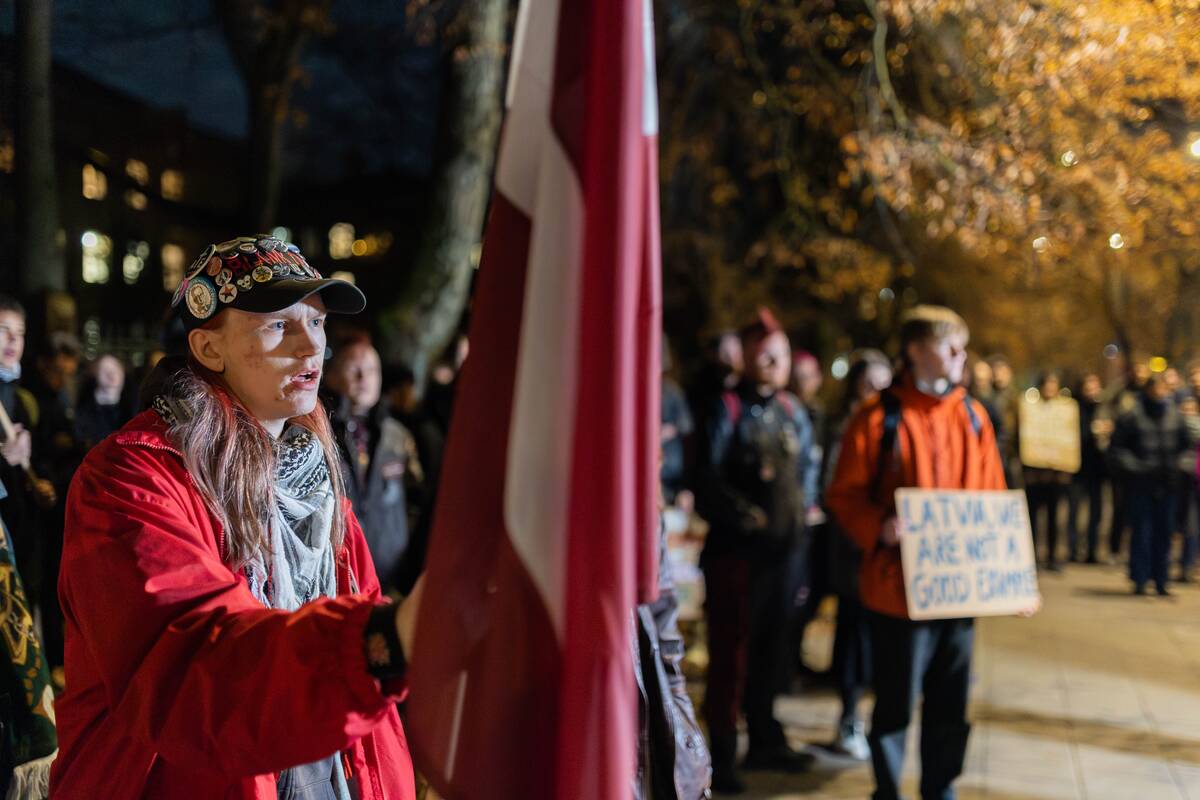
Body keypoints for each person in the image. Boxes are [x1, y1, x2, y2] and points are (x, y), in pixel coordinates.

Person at [50, 235, 419, 799]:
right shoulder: (131, 479)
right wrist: (383, 644)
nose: (311, 348)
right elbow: (194, 663)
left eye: (317, 323)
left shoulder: (320, 486)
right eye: (278, 326)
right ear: (209, 348)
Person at [827, 305, 1011, 800]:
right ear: (913, 349)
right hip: (897, 593)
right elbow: (843, 495)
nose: (958, 354)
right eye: (946, 343)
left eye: (961, 345)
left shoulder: (974, 417)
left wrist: (1010, 577)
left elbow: (994, 503)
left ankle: (940, 790)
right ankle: (888, 790)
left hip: (960, 593)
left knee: (951, 705)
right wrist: (879, 528)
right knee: (895, 705)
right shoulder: (877, 418)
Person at [697, 308, 814, 793]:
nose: (774, 361)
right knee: (733, 652)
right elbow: (705, 478)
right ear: (744, 355)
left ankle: (765, 735)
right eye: (765, 352)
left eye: (782, 353)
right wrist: (747, 518)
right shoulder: (723, 408)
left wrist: (802, 512)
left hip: (784, 556)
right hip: (738, 556)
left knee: (773, 649)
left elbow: (806, 470)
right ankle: (722, 750)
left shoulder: (792, 411)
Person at [819, 349, 891, 762]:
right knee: (851, 632)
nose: (875, 393)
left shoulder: (888, 427)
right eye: (869, 384)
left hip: (880, 554)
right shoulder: (844, 428)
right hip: (850, 549)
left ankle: (865, 715)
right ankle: (849, 715)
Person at [323, 334, 424, 596]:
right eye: (354, 369)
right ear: (331, 375)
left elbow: (416, 500)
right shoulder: (319, 434)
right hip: (337, 577)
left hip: (389, 575)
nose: (363, 378)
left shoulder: (398, 437)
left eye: (371, 370)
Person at [1108, 373, 1192, 596]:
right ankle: (1140, 578)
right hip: (1141, 484)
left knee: (1165, 533)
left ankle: (1162, 579)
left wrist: (1178, 466)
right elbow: (1117, 450)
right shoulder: (1132, 416)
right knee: (1141, 532)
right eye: (1156, 390)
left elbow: (1187, 449)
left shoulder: (1175, 416)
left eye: (1164, 390)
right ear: (1147, 391)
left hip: (1169, 484)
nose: (1160, 394)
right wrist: (1138, 467)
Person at [1021, 372, 1074, 572]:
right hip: (1034, 474)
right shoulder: (1029, 407)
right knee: (1033, 516)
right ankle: (1032, 555)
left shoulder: (1066, 409)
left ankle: (1052, 555)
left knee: (1054, 517)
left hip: (1055, 474)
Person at [1067, 373, 1106, 564]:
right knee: (1074, 510)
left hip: (1097, 468)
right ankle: (1072, 549)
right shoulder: (1072, 408)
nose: (1092, 391)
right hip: (1076, 467)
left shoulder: (1103, 409)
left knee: (1096, 512)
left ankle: (1092, 549)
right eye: (1088, 386)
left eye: (1095, 386)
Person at [73, 353, 136, 451]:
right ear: (95, 374)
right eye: (105, 371)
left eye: (116, 370)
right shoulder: (85, 410)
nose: (111, 376)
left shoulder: (132, 408)